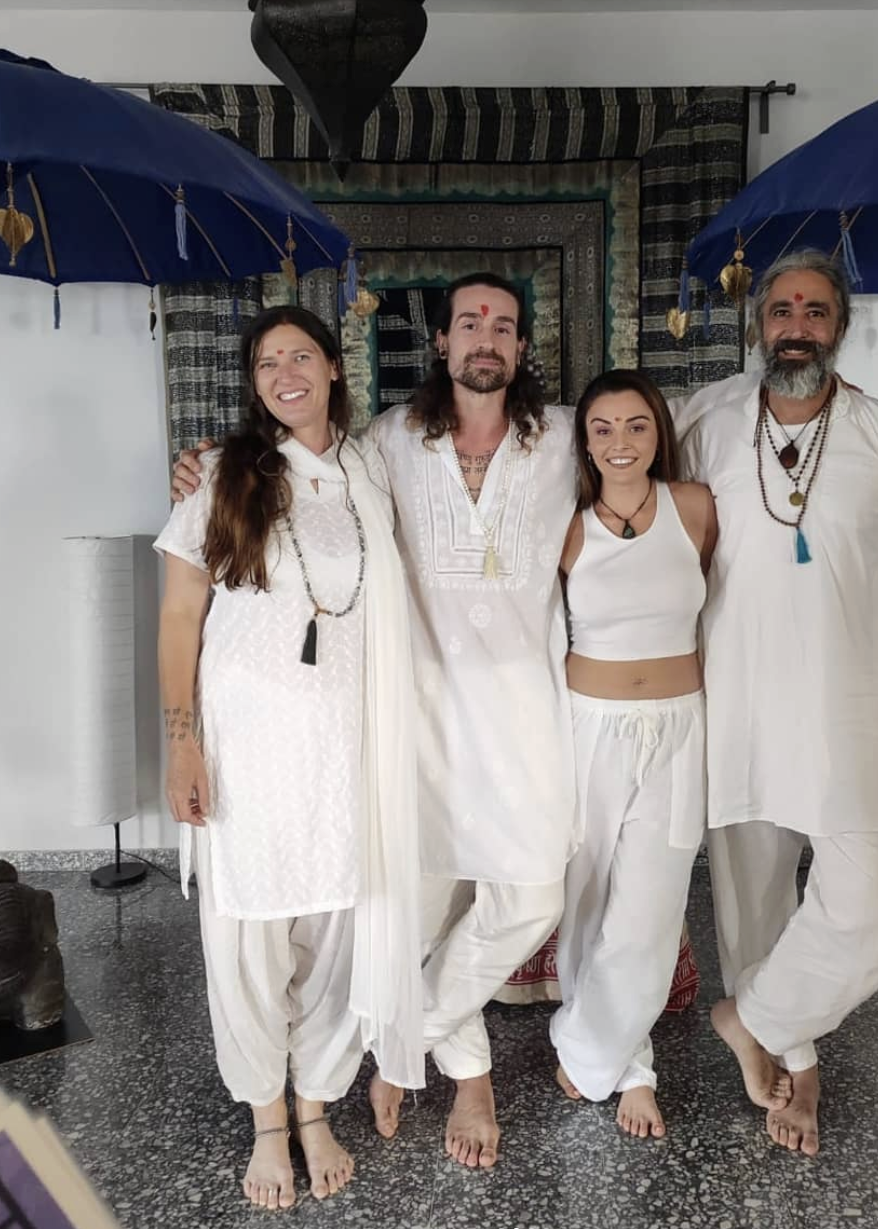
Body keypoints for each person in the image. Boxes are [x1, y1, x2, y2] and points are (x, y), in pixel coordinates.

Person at [173, 274, 577, 1170]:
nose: (484, 336)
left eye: (503, 326)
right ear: (438, 340)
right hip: (404, 732)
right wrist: (205, 466)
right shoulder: (389, 443)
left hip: (515, 725)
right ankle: (424, 1079)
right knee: (402, 914)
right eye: (468, 320)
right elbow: (197, 586)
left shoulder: (567, 441)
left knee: (528, 895)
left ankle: (402, 1036)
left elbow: (646, 454)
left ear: (521, 348)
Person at [675, 249, 878, 1157]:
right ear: (759, 323)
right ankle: (795, 1059)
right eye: (782, 308)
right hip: (736, 698)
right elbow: (606, 460)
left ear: (839, 327)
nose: (797, 324)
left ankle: (748, 1016)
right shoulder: (704, 419)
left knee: (864, 916)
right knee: (752, 904)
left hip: (845, 705)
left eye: (816, 310)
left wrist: (868, 661)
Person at [156, 306, 423, 1210]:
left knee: (337, 930)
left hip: (343, 747)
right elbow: (178, 621)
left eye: (300, 355)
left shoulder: (366, 467)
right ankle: (269, 1120)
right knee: (249, 938)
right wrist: (182, 746)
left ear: (335, 369)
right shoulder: (223, 475)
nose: (284, 373)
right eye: (267, 362)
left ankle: (317, 1104)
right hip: (247, 748)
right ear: (255, 382)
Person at [550, 370, 722, 1140]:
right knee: (587, 898)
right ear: (584, 443)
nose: (621, 443)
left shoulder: (695, 510)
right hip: (589, 726)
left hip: (679, 726)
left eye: (636, 426)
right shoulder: (566, 526)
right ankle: (631, 1068)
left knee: (651, 909)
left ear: (659, 432)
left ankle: (588, 1052)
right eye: (603, 429)